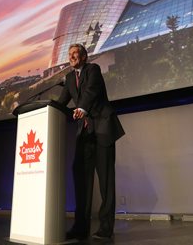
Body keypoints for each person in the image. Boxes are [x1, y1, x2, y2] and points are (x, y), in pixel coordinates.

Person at [57, 43, 125, 240]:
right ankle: (80, 227)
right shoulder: (69, 78)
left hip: (102, 128)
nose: (72, 57)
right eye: (69, 55)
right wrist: (47, 110)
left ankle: (105, 228)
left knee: (106, 182)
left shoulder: (93, 69)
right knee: (81, 181)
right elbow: (61, 103)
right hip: (85, 134)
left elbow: (91, 91)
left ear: (84, 56)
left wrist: (83, 108)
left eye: (75, 53)